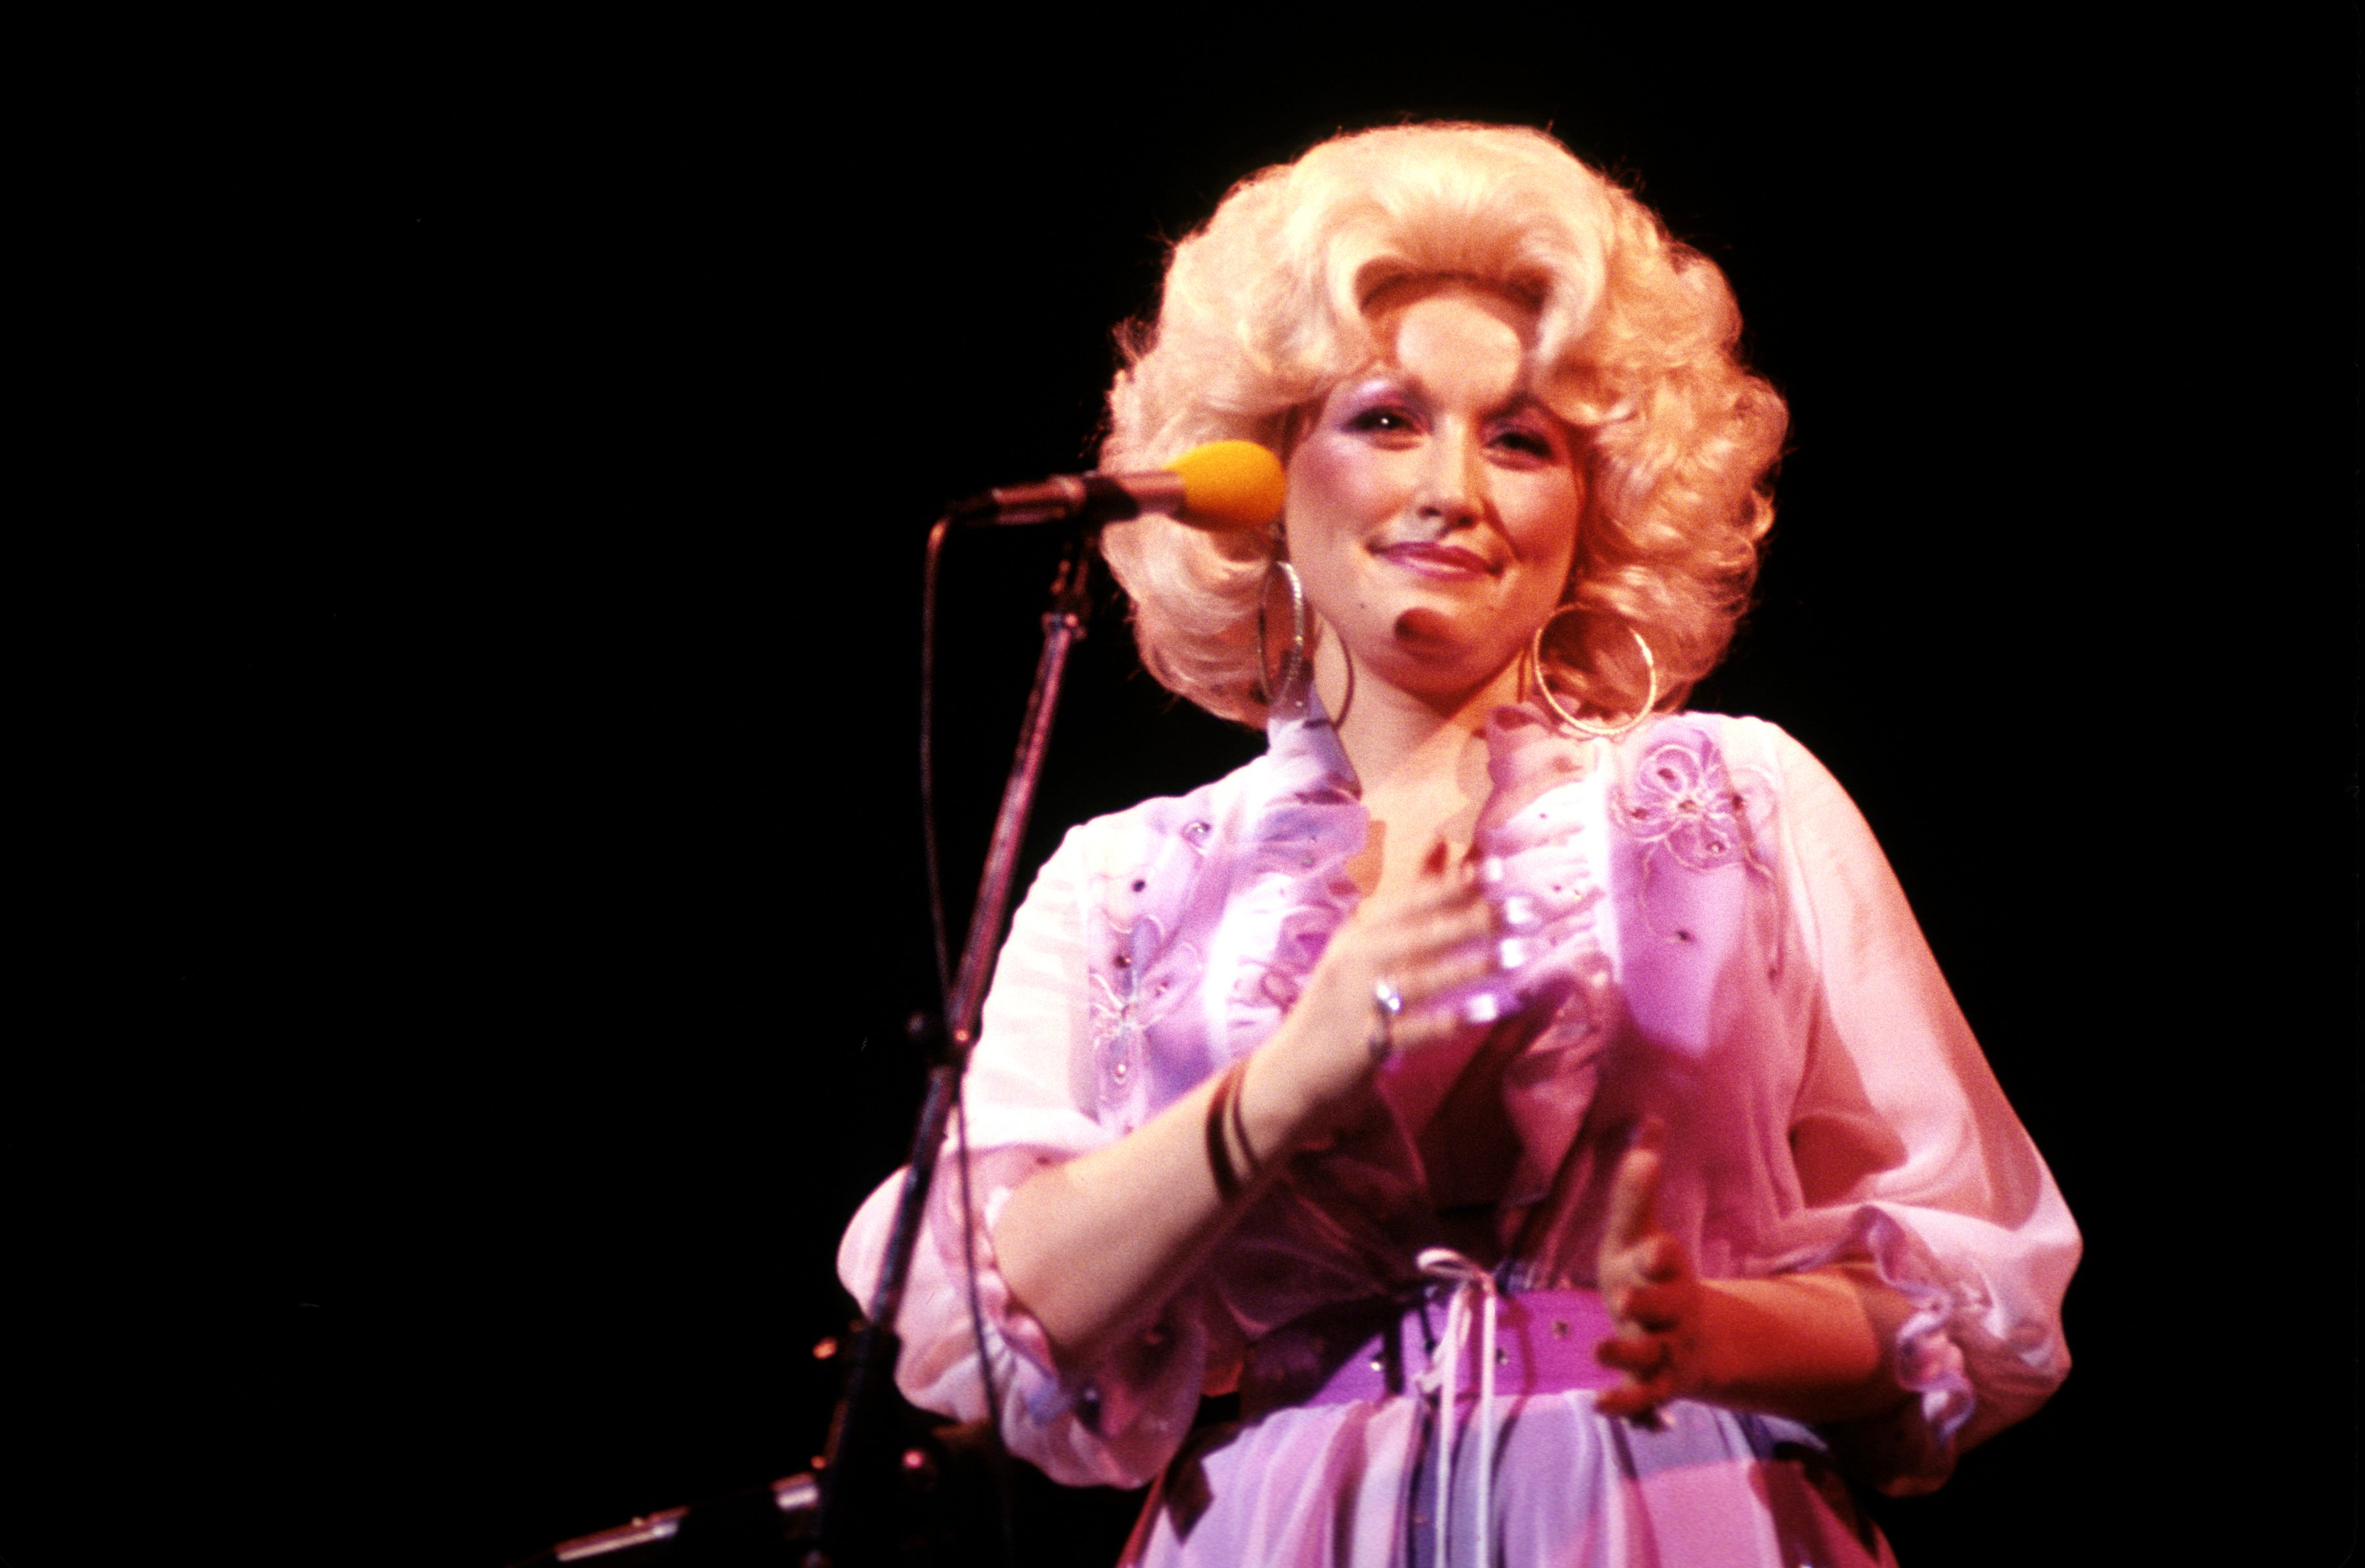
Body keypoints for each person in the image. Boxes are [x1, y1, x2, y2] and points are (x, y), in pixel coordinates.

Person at [841, 122, 2077, 1566]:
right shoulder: (1134, 877)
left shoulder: (1739, 801)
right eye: (1385, 419)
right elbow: (986, 1331)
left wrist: (1710, 1328)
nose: (1455, 490)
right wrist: (1288, 1082)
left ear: (1595, 503)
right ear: (1267, 466)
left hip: (1666, 1522)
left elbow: (1982, 1294)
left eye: (1522, 439)